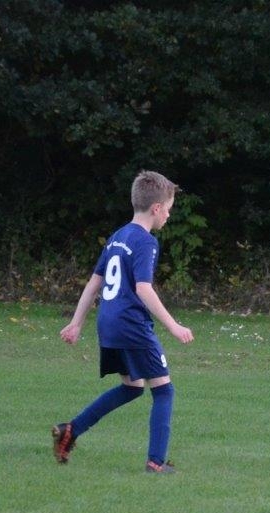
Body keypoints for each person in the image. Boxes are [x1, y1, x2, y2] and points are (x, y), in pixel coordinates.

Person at [52, 170, 194, 474]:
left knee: (132, 387)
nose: (168, 216)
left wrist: (77, 323)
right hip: (131, 324)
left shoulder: (117, 237)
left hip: (108, 323)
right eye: (168, 210)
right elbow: (143, 289)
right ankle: (156, 462)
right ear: (156, 208)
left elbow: (94, 284)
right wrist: (174, 326)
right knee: (164, 390)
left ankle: (71, 430)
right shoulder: (146, 242)